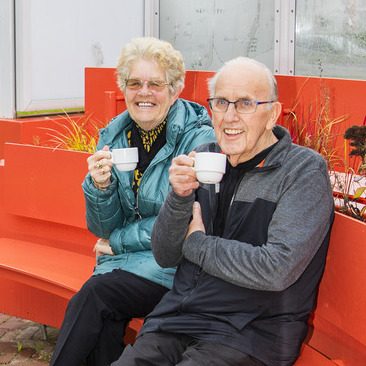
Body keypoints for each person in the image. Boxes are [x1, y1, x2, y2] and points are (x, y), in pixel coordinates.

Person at [111, 57, 335, 366]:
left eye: (244, 104)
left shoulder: (302, 171)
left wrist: (198, 244)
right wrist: (179, 196)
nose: (229, 117)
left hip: (252, 332)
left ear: (271, 115)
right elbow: (164, 254)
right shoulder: (205, 157)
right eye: (220, 103)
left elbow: (277, 269)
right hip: (179, 319)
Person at [50, 37, 216, 366]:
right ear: (123, 88)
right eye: (135, 82)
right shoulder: (114, 134)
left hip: (173, 268)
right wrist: (101, 185)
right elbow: (102, 227)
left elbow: (184, 217)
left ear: (175, 89)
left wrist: (119, 242)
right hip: (121, 268)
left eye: (155, 83)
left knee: (94, 297)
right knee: (105, 322)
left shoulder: (198, 138)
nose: (144, 92)